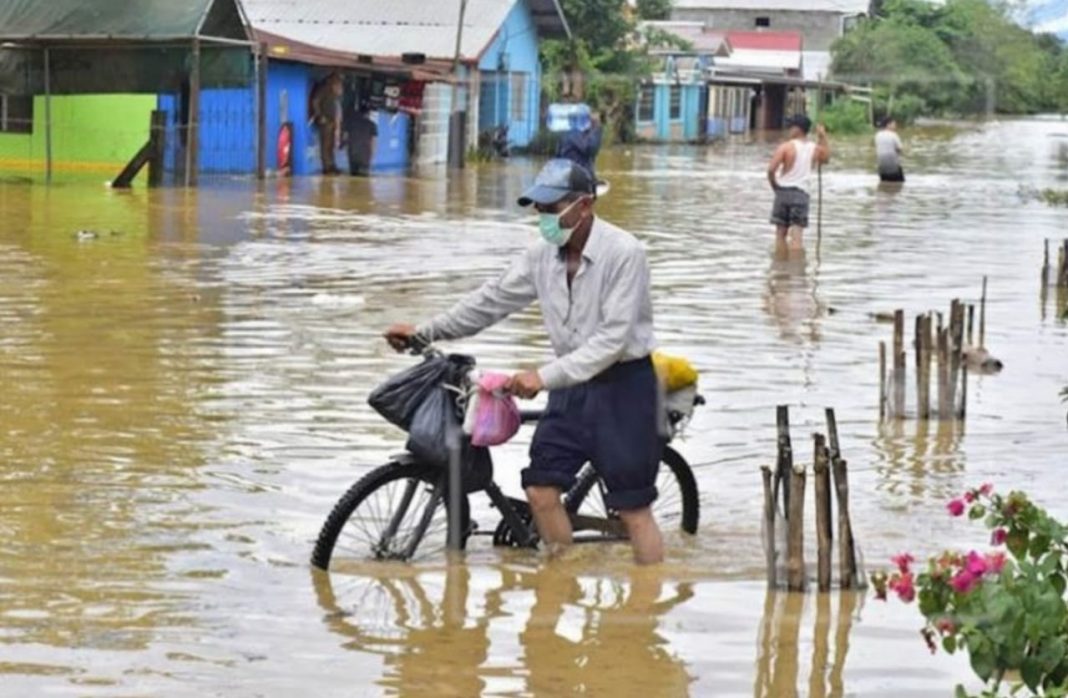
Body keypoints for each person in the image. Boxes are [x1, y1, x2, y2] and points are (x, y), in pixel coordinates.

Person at [384, 159, 664, 565]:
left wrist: (542, 377)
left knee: (633, 509)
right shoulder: (541, 256)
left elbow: (611, 341)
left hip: (624, 388)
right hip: (569, 387)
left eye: (552, 209)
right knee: (540, 490)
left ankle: (642, 614)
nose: (543, 218)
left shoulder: (624, 253)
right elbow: (490, 301)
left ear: (584, 206)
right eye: (539, 209)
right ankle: (561, 578)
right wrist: (426, 332)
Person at [767, 114, 830, 250]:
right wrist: (823, 137)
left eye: (791, 127)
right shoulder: (815, 148)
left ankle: (780, 266)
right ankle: (796, 268)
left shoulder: (785, 147)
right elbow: (826, 159)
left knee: (780, 234)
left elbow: (771, 170)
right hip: (801, 194)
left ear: (798, 129)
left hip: (782, 192)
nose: (789, 130)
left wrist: (775, 187)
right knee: (797, 236)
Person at [310, 73, 343, 175]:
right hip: (326, 121)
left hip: (332, 121)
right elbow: (315, 101)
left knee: (331, 145)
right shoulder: (324, 89)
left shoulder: (333, 93)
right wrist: (320, 115)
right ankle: (327, 167)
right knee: (326, 145)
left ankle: (332, 165)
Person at [556, 112, 602, 182]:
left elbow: (557, 157)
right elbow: (591, 149)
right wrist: (596, 128)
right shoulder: (575, 134)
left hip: (568, 176)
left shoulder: (565, 134)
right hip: (578, 179)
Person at [345, 102, 378, 176]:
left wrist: (347, 152)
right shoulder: (372, 125)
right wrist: (372, 154)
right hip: (365, 156)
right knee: (364, 181)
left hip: (352, 154)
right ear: (368, 113)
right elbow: (373, 142)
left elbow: (346, 138)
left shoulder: (350, 123)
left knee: (352, 179)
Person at [875, 117, 905, 182]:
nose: (895, 126)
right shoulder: (894, 135)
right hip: (893, 166)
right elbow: (900, 149)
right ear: (888, 125)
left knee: (884, 184)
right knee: (899, 185)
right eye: (894, 124)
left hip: (882, 166)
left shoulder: (877, 135)